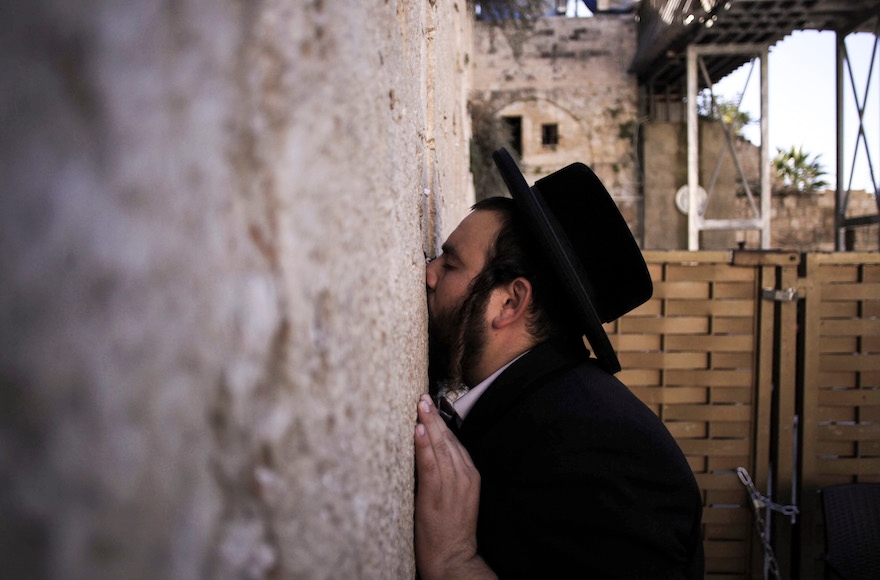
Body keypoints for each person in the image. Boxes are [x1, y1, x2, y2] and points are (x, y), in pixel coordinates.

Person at [413, 149, 705, 579]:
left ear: (509, 302)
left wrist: (455, 560)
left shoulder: (605, 450)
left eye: (450, 263)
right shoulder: (539, 406)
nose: (428, 273)